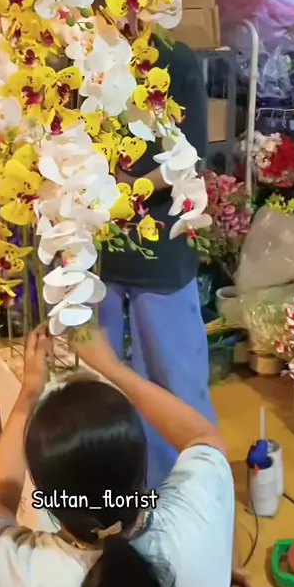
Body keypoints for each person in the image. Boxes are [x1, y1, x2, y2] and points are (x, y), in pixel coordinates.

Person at [0, 324, 235, 587]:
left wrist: (29, 394)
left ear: (43, 493)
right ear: (141, 467)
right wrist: (114, 369)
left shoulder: (9, 575)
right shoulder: (197, 518)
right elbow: (203, 438)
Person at [100, 36, 215, 489]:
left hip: (161, 241)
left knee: (174, 378)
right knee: (100, 384)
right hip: (94, 247)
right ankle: (119, 495)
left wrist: (133, 187)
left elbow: (192, 153)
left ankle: (191, 495)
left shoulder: (175, 60)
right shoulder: (80, 56)